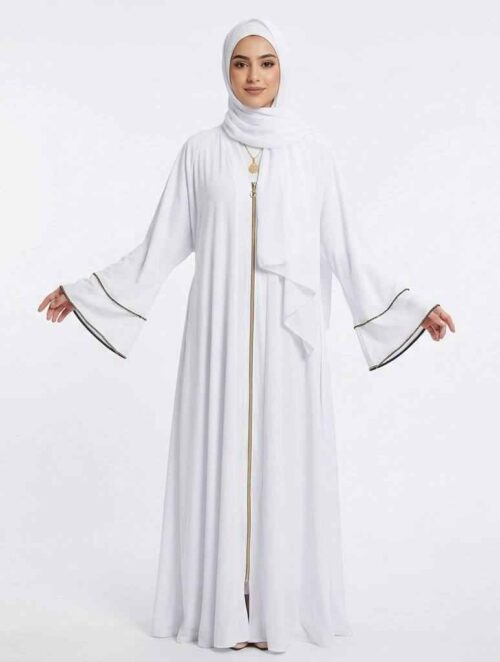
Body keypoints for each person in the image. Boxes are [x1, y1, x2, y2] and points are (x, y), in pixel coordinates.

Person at [37, 17, 455, 653]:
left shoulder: (312, 153)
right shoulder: (200, 152)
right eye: (240, 63)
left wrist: (412, 307)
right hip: (220, 340)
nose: (253, 76)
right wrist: (86, 291)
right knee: (223, 455)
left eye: (266, 62)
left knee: (284, 462)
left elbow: (348, 248)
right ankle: (225, 610)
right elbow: (158, 246)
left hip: (289, 342)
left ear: (284, 69)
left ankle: (276, 608)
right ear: (225, 71)